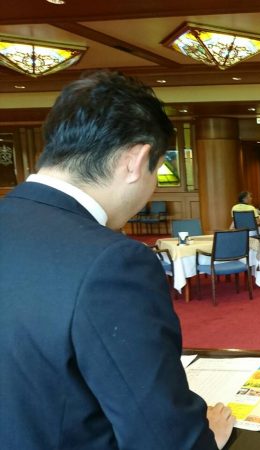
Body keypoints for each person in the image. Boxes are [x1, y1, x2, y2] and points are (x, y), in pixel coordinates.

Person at [0, 71, 233, 449]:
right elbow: (161, 436)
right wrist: (204, 437)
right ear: (136, 160)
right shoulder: (112, 261)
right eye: (157, 169)